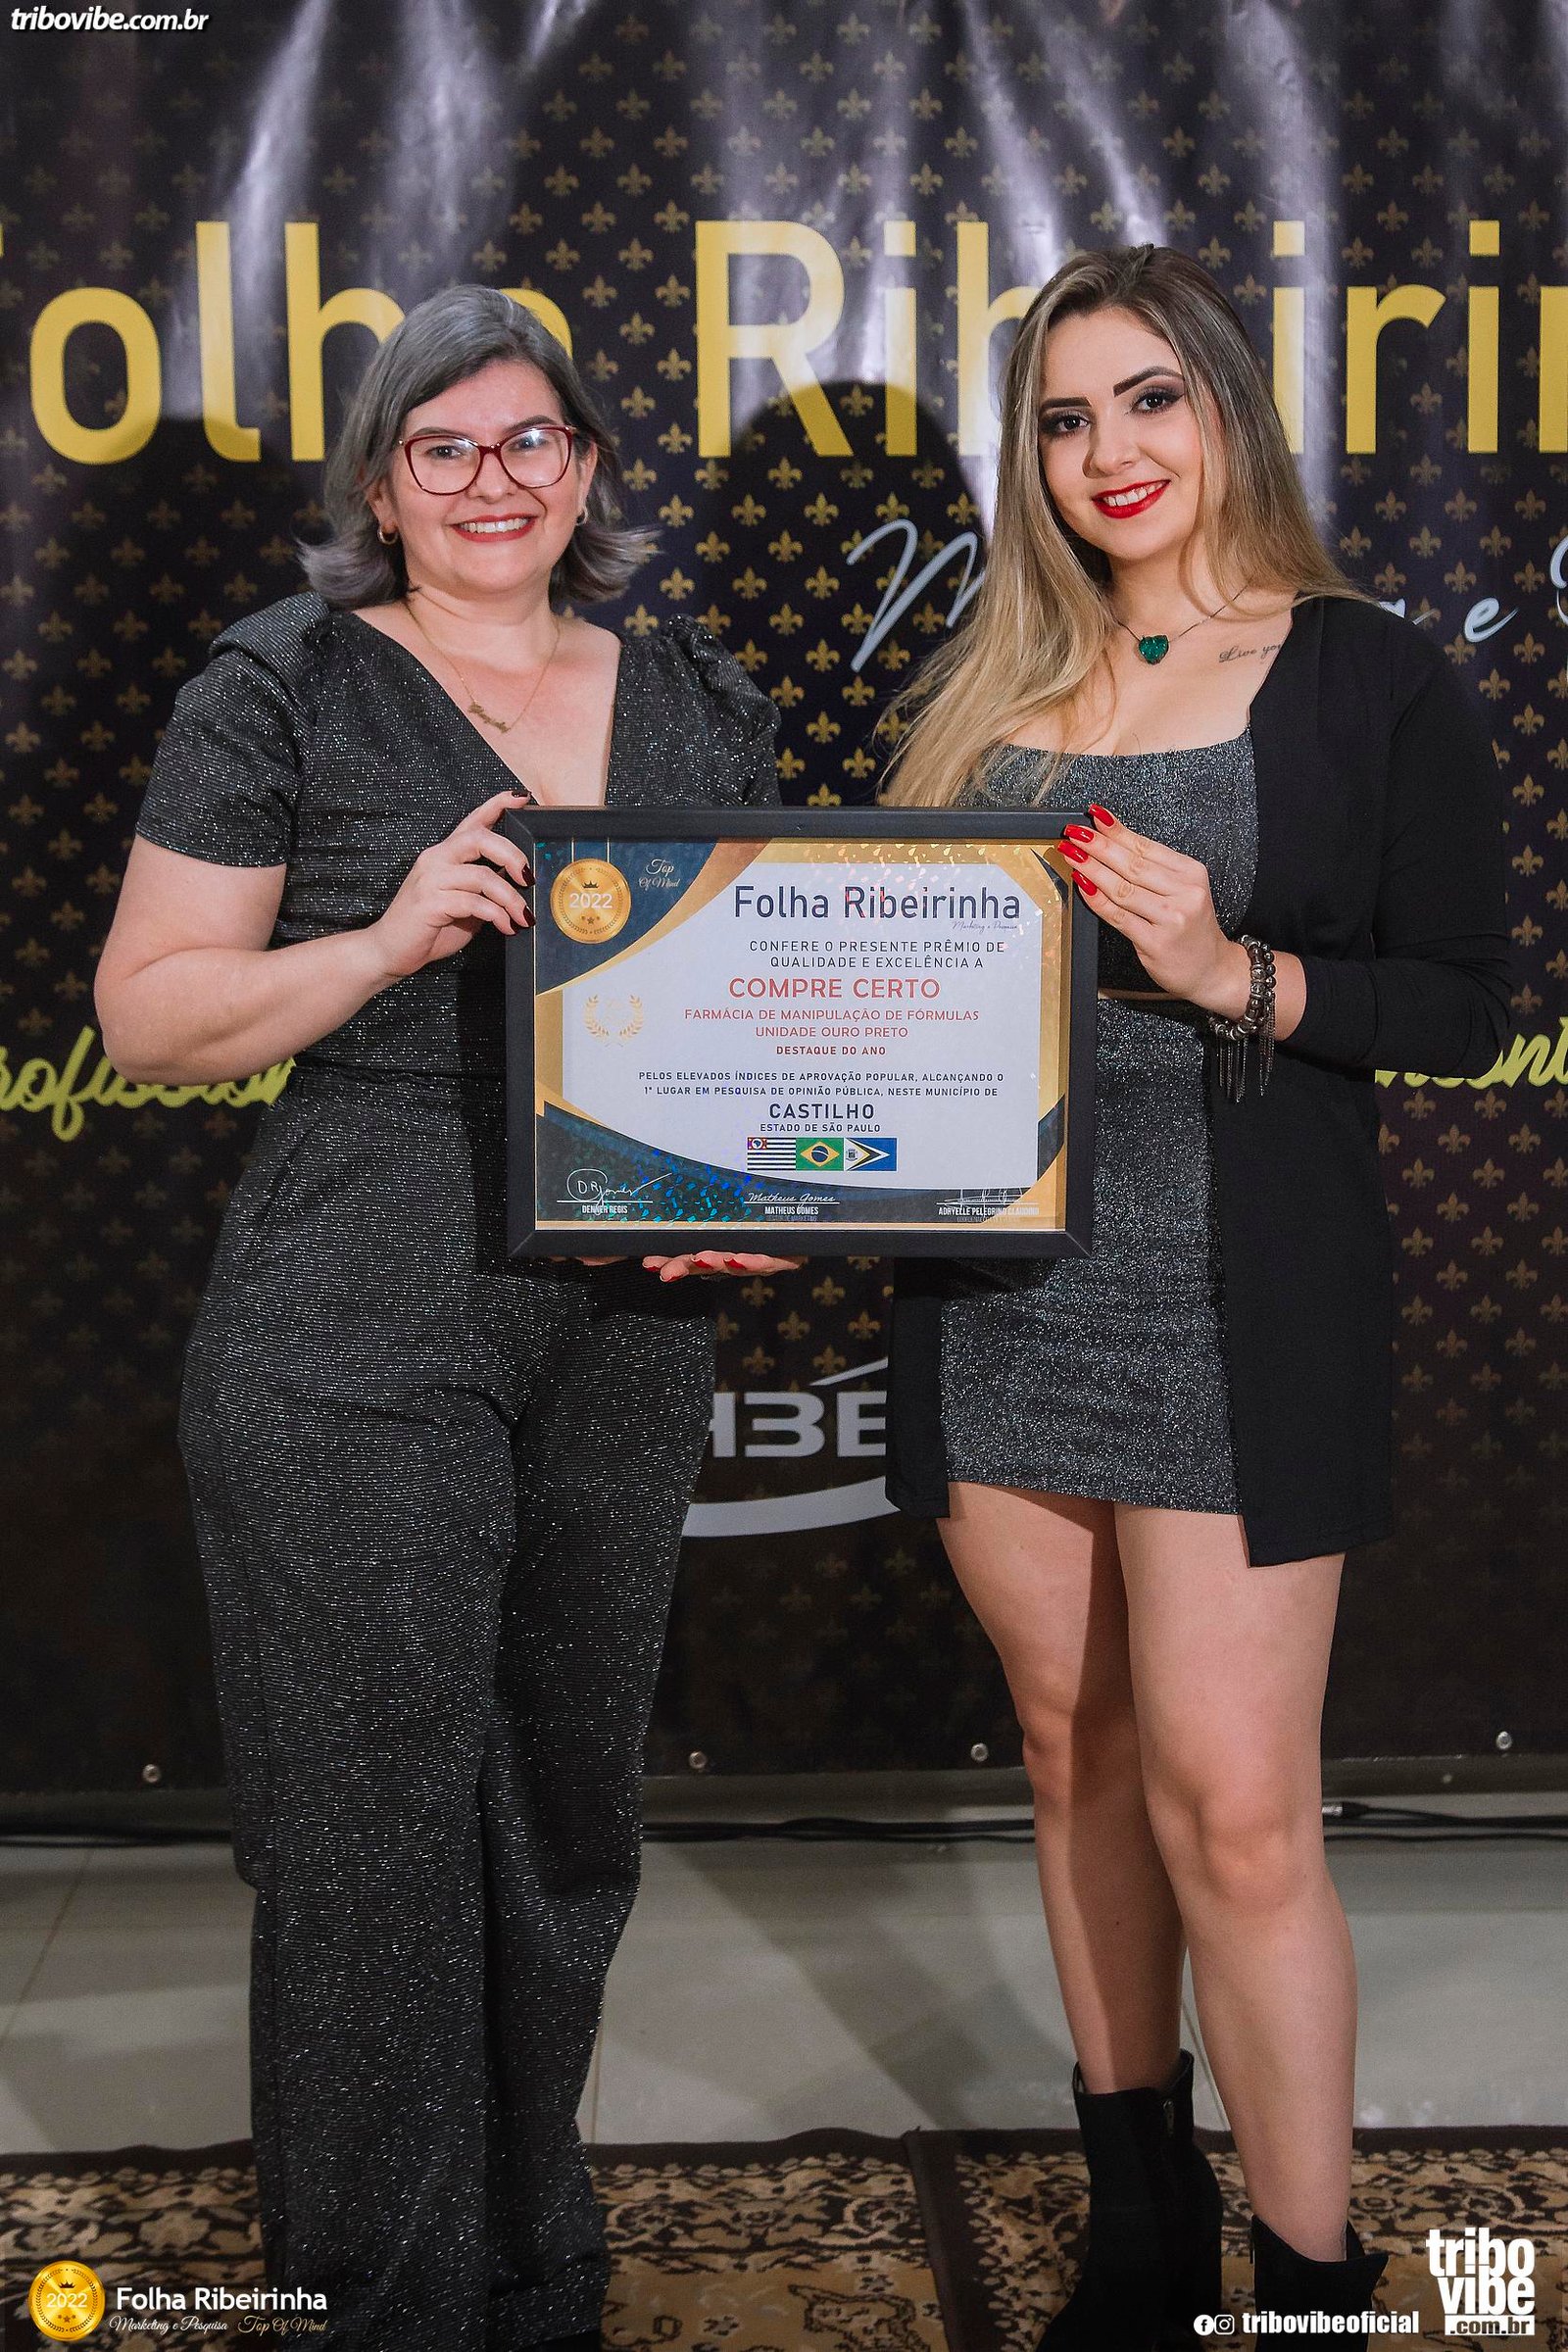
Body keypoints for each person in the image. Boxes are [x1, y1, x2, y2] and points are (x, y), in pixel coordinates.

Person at [95, 285, 798, 2352]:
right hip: (356, 1305)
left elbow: (752, 1008)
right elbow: (147, 1016)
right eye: (444, 449)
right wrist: (388, 939)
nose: (493, 482)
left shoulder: (695, 694)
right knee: (372, 1846)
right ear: (383, 487)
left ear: (587, 469)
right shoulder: (284, 684)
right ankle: (388, 2306)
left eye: (529, 442)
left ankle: (529, 2267)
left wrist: (747, 1197)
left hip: (621, 1319)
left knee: (564, 1817)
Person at [882, 245, 1512, 2349]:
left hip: (1234, 1303)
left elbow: (1464, 1000)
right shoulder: (985, 691)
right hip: (999, 1298)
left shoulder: (1367, 678)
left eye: (1148, 399)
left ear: (1227, 405)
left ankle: (1312, 2281)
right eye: (1063, 418)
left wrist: (1235, 971)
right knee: (1072, 1756)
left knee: (1235, 1817)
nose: (1108, 452)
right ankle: (1140, 2235)